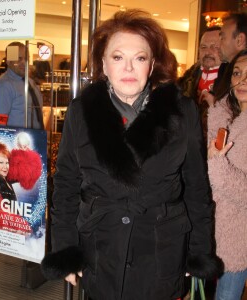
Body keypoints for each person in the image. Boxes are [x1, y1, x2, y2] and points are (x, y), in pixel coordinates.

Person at [41, 9, 222, 300]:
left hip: (161, 248)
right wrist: (64, 249)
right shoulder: (81, 112)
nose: (128, 68)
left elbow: (197, 188)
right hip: (101, 248)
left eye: (139, 58)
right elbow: (66, 184)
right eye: (117, 57)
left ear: (151, 65)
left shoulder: (181, 111)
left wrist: (198, 251)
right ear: (103, 64)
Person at [207, 49, 247, 300]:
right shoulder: (225, 117)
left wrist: (217, 166)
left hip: (237, 238)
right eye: (237, 73)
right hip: (211, 230)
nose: (242, 80)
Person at [0, 138, 42, 233]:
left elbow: (23, 176)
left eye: (7, 162)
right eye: (1, 162)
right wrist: (18, 226)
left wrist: (24, 153)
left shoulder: (5, 178)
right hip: (9, 228)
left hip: (13, 224)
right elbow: (2, 213)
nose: (5, 166)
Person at [178, 26, 222, 142]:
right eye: (203, 47)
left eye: (214, 47)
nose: (208, 52)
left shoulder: (232, 83)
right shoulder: (183, 82)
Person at [0, 41, 44, 129]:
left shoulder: (30, 83)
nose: (24, 62)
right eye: (19, 59)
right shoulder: (5, 85)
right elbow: (0, 123)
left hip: (34, 138)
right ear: (9, 61)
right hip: (16, 140)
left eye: (26, 59)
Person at [214, 12, 247, 97]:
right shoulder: (224, 69)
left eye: (222, 38)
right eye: (236, 74)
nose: (217, 45)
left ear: (239, 40)